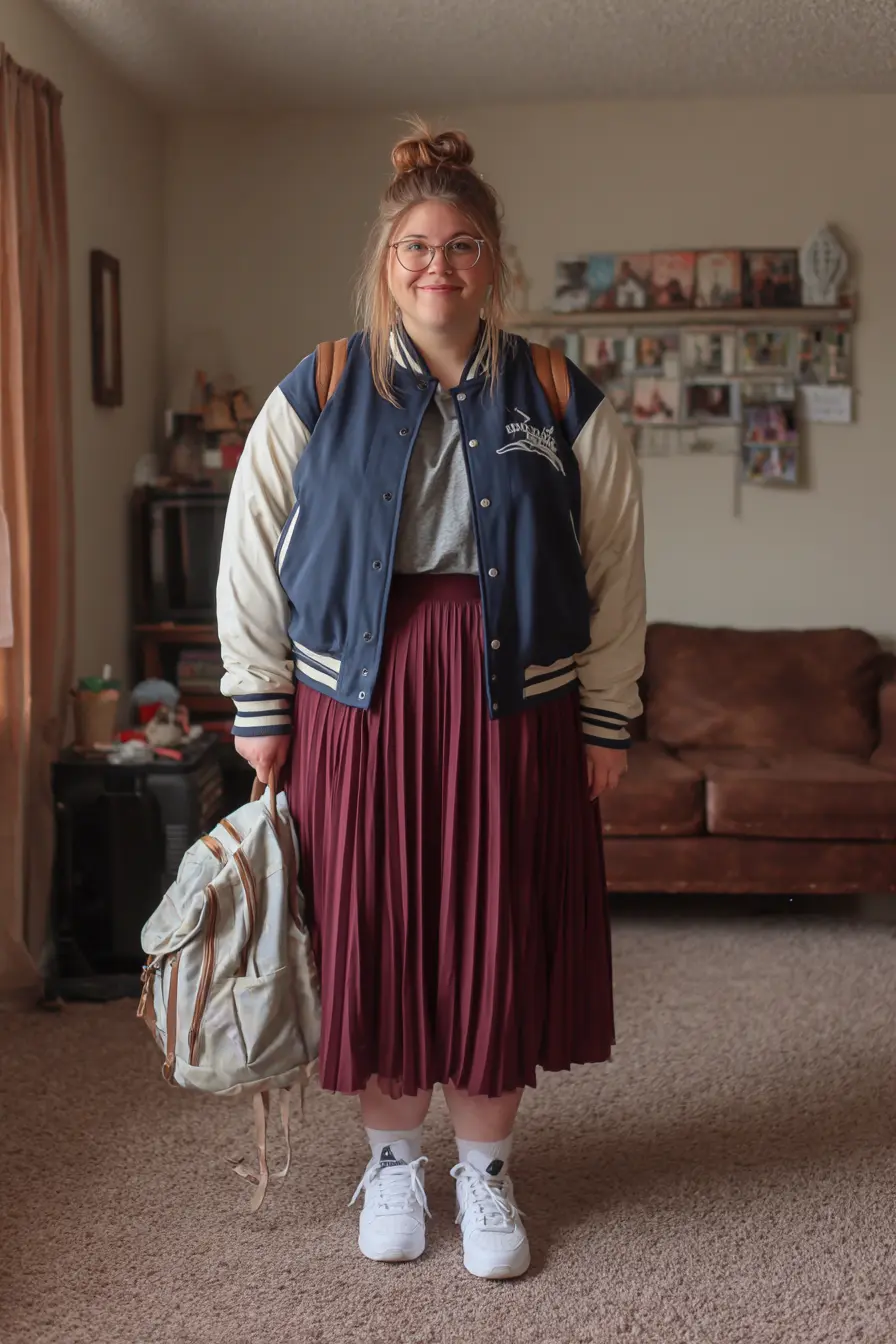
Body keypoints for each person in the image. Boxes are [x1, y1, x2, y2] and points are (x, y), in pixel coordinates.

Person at [216, 121, 646, 1280]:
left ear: (493, 261)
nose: (437, 268)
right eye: (415, 247)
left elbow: (613, 561)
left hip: (514, 700)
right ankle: (394, 1161)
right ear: (384, 258)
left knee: (493, 933)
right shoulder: (320, 384)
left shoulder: (557, 390)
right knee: (378, 932)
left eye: (461, 247)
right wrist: (258, 700)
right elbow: (252, 549)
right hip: (355, 704)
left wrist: (606, 714)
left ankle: (487, 1173)